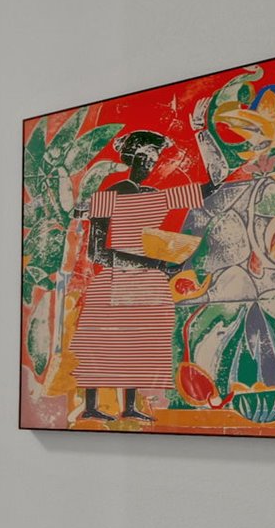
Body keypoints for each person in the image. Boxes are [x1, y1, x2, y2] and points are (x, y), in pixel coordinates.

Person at [68, 130, 204, 422]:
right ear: (131, 158)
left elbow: (205, 190)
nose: (149, 165)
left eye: (153, 160)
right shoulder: (108, 195)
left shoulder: (156, 196)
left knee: (139, 341)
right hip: (117, 277)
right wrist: (152, 264)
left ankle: (129, 406)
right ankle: (91, 405)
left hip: (147, 279)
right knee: (102, 343)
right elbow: (98, 253)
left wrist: (203, 135)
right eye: (143, 158)